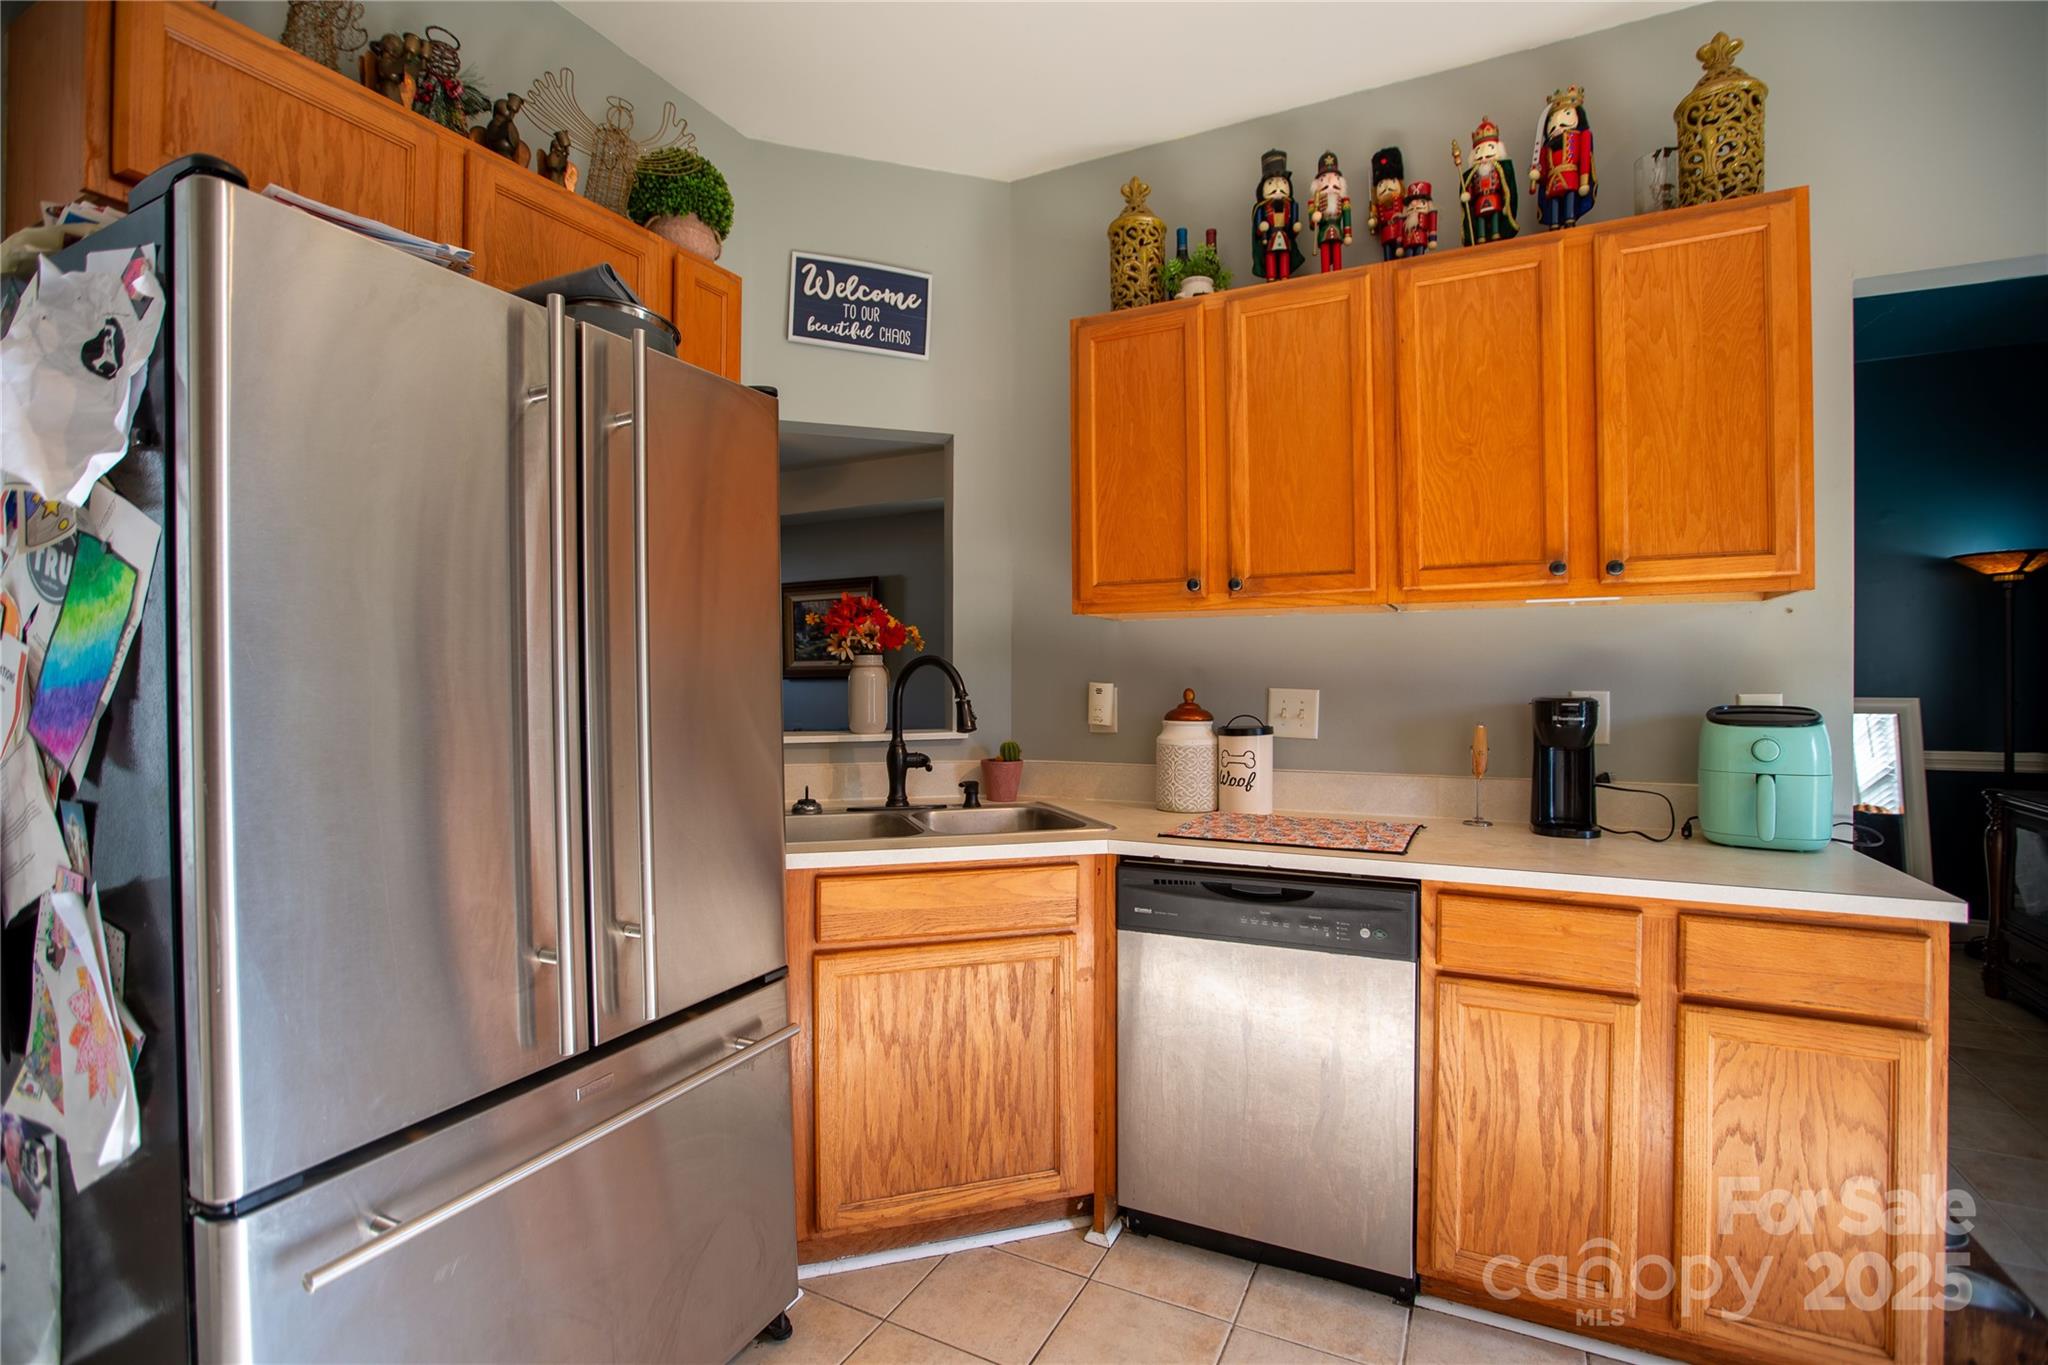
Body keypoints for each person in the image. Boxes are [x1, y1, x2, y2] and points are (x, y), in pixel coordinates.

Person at [1531, 86, 1597, 229]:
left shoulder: (1580, 136)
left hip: (1570, 176)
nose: (1557, 125)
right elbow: (1543, 169)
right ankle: (1554, 223)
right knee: (1553, 201)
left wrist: (1584, 181)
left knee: (1569, 198)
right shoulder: (1546, 146)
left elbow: (1585, 157)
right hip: (1552, 181)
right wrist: (1537, 174)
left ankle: (1569, 219)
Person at [1454, 118, 1519, 245]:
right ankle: (1481, 236)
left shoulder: (1499, 170)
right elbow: (1470, 187)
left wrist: (1506, 201)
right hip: (1479, 200)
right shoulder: (1473, 175)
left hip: (1494, 197)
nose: (1484, 157)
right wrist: (1467, 194)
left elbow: (1505, 186)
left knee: (1494, 215)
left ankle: (1496, 233)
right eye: (1479, 152)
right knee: (1480, 219)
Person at [1252, 149, 1304, 281]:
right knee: (1270, 256)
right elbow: (1258, 229)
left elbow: (1292, 227)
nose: (1277, 186)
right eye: (1271, 182)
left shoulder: (1291, 205)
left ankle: (1285, 276)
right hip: (1270, 238)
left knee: (1285, 255)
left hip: (1284, 236)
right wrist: (1261, 228)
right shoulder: (1261, 208)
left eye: (1282, 181)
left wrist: (1295, 229)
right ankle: (1270, 276)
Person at [1308, 152, 1354, 273]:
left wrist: (1348, 234)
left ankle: (1338, 273)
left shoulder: (1344, 201)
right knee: (1325, 258)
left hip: (1338, 232)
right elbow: (1312, 226)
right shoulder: (1314, 203)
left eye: (1334, 177)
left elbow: (1347, 217)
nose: (1330, 181)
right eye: (1324, 178)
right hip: (1323, 233)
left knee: (1338, 258)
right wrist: (1315, 218)